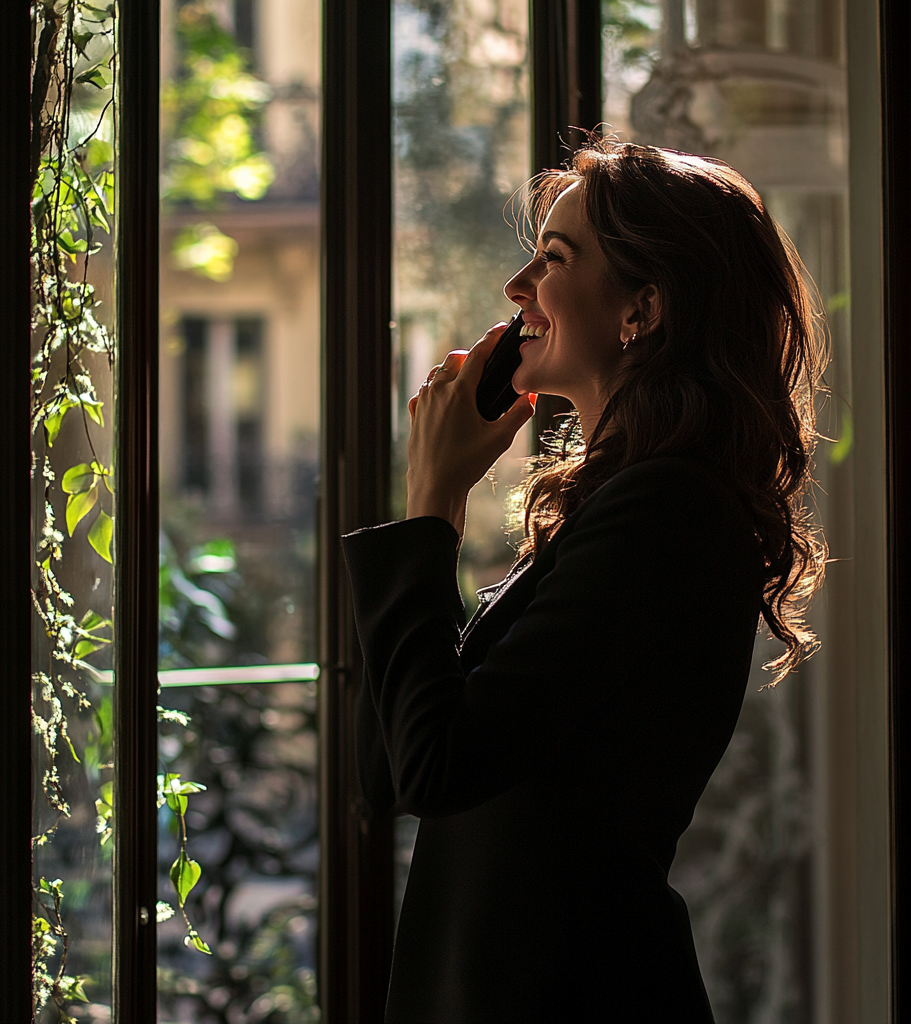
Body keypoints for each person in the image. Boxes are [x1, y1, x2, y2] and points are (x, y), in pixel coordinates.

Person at [342, 139, 826, 1023]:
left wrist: (432, 500)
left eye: (555, 258)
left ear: (643, 306)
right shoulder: (615, 508)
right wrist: (434, 520)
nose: (516, 286)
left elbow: (437, 768)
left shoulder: (669, 511)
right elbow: (385, 768)